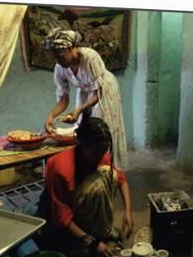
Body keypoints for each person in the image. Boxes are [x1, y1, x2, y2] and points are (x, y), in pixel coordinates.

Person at [38, 116, 134, 257]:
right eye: (96, 152)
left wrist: (128, 213)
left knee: (110, 175)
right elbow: (62, 218)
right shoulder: (62, 169)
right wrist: (93, 243)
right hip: (58, 218)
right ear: (81, 144)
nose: (101, 156)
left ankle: (100, 230)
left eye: (104, 150)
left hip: (81, 209)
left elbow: (122, 180)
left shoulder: (99, 152)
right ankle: (85, 238)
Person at [43, 28, 129, 170]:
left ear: (71, 48)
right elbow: (64, 98)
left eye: (60, 56)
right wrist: (50, 117)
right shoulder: (60, 67)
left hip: (103, 91)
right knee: (84, 129)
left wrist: (80, 110)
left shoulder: (90, 57)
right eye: (55, 58)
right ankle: (89, 167)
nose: (58, 61)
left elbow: (99, 92)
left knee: (100, 129)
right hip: (85, 92)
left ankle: (108, 168)